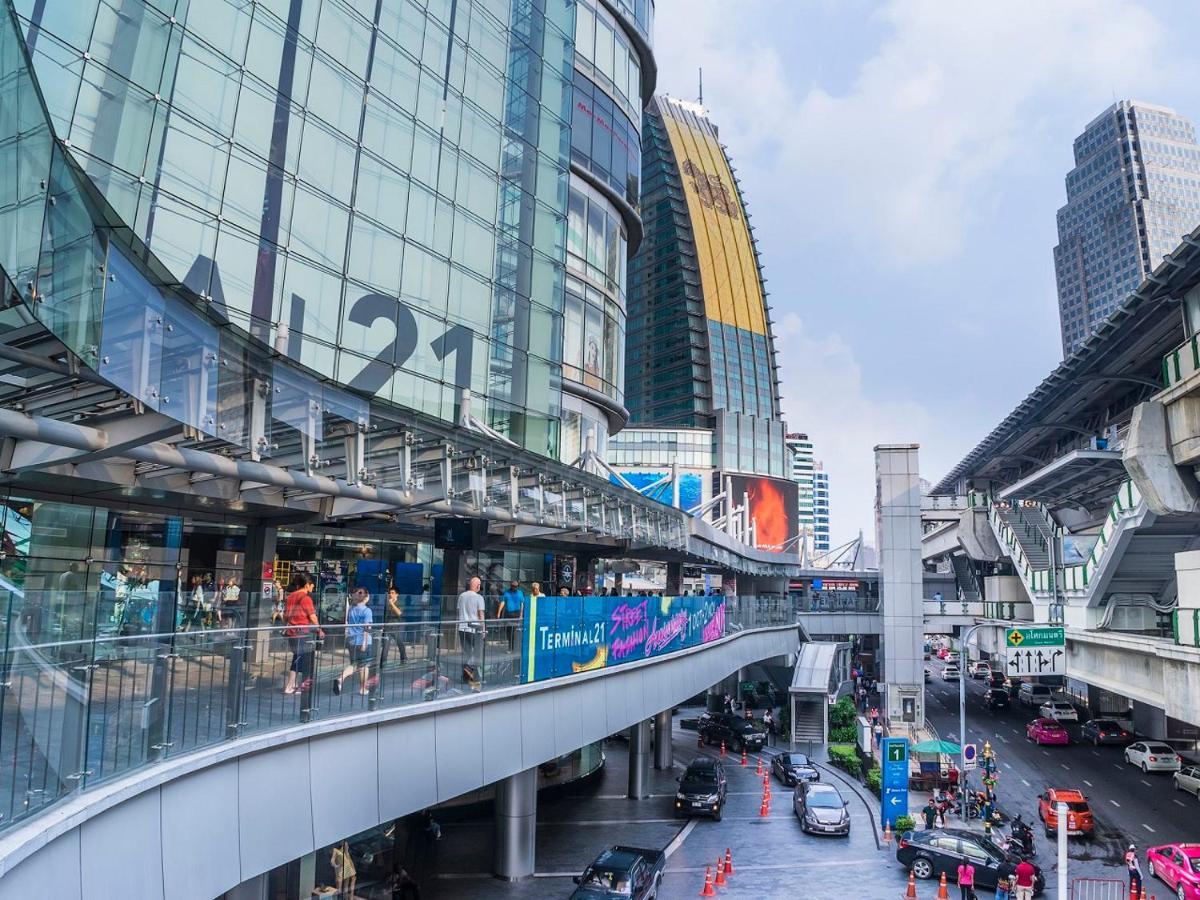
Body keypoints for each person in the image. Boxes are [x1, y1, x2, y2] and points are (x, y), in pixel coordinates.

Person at [283, 575, 322, 694]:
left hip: (292, 632)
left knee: (297, 657)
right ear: (307, 585)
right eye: (312, 584)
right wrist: (319, 629)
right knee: (300, 658)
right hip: (302, 632)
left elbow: (285, 616)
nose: (313, 586)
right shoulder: (306, 598)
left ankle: (294, 684)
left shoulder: (290, 597)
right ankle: (291, 685)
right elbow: (313, 617)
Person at [335, 587, 373, 695]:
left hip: (352, 640)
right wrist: (365, 643)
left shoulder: (351, 609)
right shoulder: (367, 611)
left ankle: (341, 678)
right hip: (363, 640)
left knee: (354, 664)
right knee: (364, 665)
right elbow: (367, 628)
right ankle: (363, 688)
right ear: (366, 597)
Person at [456, 576, 485, 675]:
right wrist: (483, 629)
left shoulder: (462, 596)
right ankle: (475, 675)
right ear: (478, 586)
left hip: (462, 628)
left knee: (467, 653)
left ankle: (465, 676)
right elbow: (481, 615)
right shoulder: (479, 597)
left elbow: (459, 611)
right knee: (477, 653)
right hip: (475, 629)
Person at [497, 580, 525, 652]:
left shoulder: (520, 593)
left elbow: (522, 604)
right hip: (508, 614)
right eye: (512, 586)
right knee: (508, 631)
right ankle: (511, 647)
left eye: (515, 586)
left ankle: (515, 647)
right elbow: (503, 602)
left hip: (517, 614)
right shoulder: (506, 593)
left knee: (515, 632)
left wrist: (521, 614)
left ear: (517, 586)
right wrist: (499, 612)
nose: (514, 587)